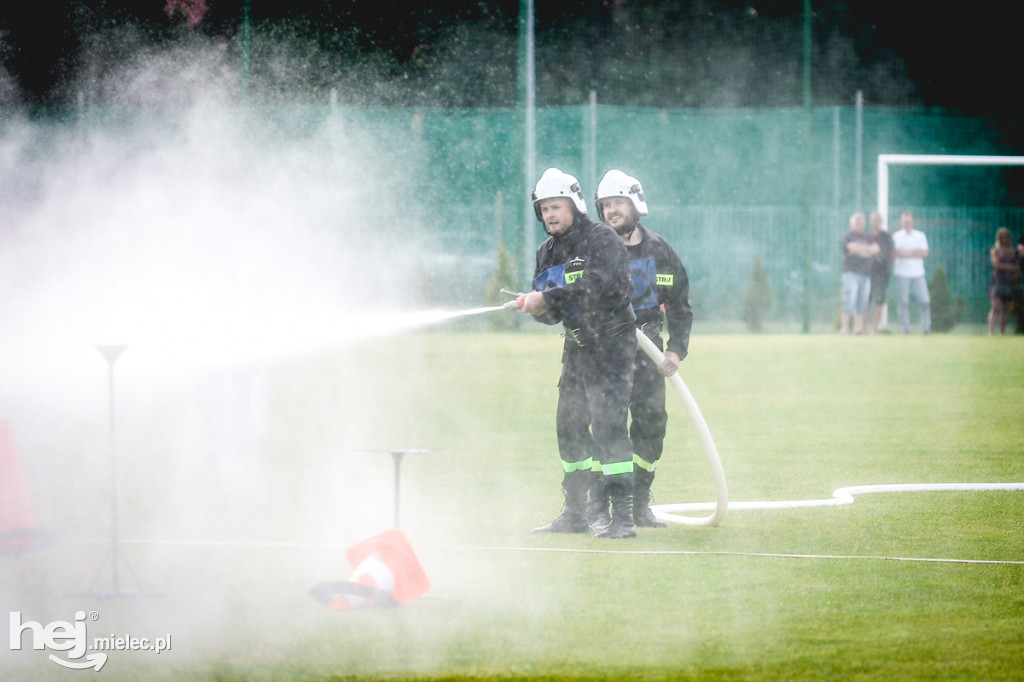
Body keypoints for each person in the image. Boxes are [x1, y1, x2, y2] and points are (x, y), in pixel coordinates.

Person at [515, 168, 639, 539]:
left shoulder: (602, 239)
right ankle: (575, 513)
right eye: (544, 209)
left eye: (556, 206)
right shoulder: (547, 252)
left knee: (608, 425)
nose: (550, 215)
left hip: (612, 344)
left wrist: (548, 299)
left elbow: (601, 288)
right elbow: (554, 312)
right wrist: (540, 309)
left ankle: (624, 519)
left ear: (574, 205)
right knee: (569, 427)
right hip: (577, 347)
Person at [590, 170, 692, 530]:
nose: (611, 210)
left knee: (652, 425)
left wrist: (676, 351)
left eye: (617, 202)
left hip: (649, 352)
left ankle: (638, 501)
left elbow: (679, 305)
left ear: (635, 204)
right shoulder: (595, 251)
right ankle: (601, 505)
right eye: (605, 205)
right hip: (605, 351)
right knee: (608, 426)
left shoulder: (660, 252)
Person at [839, 212, 879, 335]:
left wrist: (860, 250)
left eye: (861, 221)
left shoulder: (868, 237)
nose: (859, 223)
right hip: (851, 273)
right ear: (851, 223)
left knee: (862, 302)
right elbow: (851, 247)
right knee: (849, 299)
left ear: (864, 224)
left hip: (866, 274)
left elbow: (876, 249)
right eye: (856, 221)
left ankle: (858, 328)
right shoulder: (848, 236)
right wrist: (867, 251)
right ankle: (845, 328)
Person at [891, 210, 931, 334]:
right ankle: (906, 328)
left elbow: (924, 253)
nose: (906, 223)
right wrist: (914, 252)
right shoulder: (896, 236)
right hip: (902, 273)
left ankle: (926, 328)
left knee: (924, 300)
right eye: (904, 221)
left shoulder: (920, 236)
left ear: (913, 222)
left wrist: (904, 252)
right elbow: (894, 253)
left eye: (908, 221)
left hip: (918, 273)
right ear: (901, 223)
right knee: (903, 302)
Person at [987, 227, 1019, 336]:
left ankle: (1002, 332)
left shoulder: (1013, 252)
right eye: (1002, 237)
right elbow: (996, 265)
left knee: (1006, 309)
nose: (1005, 239)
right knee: (995, 306)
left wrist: (1003, 266)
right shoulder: (995, 250)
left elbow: (1016, 267)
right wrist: (1009, 267)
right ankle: (990, 332)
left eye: (1006, 237)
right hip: (997, 282)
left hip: (1009, 282)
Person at [867, 211, 893, 334]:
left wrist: (888, 267)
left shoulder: (887, 236)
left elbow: (892, 254)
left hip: (883, 273)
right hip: (868, 273)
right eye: (874, 220)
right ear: (870, 221)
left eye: (878, 220)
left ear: (881, 221)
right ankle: (862, 328)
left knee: (879, 299)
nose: (876, 222)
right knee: (866, 300)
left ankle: (875, 328)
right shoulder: (867, 236)